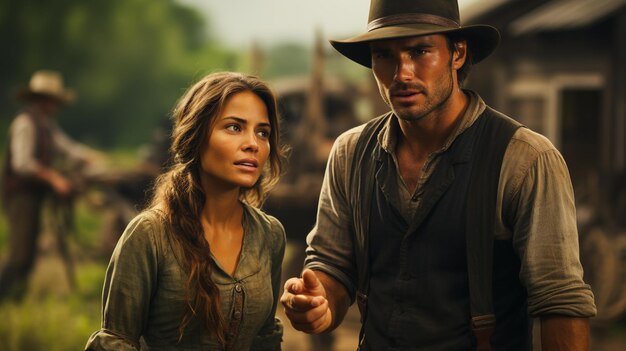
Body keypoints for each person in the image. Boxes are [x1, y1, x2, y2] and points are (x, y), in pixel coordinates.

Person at [280, 0, 597, 350]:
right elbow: (332, 263)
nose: (402, 73)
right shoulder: (351, 152)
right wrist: (320, 303)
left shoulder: (525, 159)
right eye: (384, 55)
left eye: (419, 51)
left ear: (457, 53)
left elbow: (559, 301)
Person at [85, 72, 287, 351]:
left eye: (262, 132)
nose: (253, 143)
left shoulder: (270, 234)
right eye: (234, 127)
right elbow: (115, 343)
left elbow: (265, 339)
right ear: (196, 136)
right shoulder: (149, 235)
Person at [0, 70, 100, 300]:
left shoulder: (45, 124)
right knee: (20, 255)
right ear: (42, 100)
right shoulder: (25, 123)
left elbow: (66, 147)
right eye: (52, 100)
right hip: (21, 196)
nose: (55, 105)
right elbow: (23, 164)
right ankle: (6, 299)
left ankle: (16, 299)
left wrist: (90, 156)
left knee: (28, 253)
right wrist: (54, 179)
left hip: (32, 196)